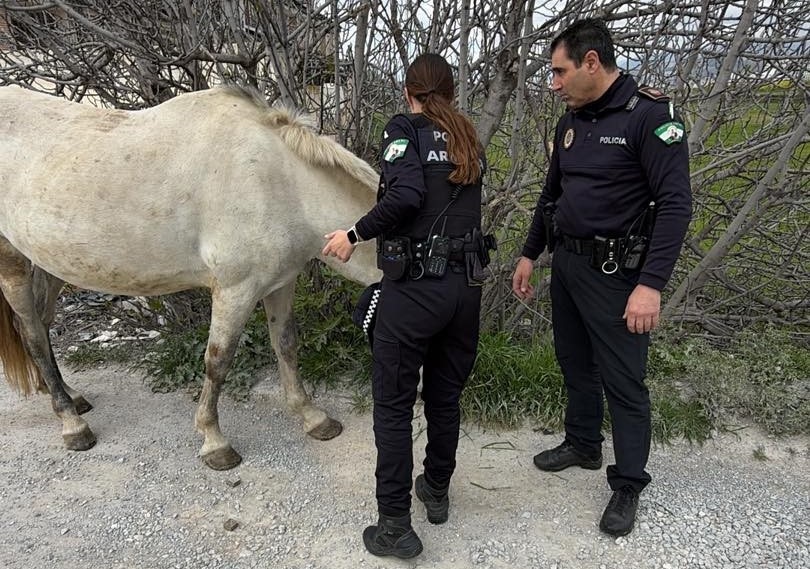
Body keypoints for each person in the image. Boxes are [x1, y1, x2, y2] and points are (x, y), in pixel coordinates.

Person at [511, 18, 692, 537]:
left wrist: (650, 285)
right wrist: (530, 254)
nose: (554, 82)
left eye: (559, 71)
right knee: (574, 362)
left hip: (620, 275)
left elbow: (676, 205)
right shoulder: (571, 120)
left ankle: (629, 481)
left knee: (624, 381)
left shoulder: (651, 118)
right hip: (568, 264)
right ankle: (584, 443)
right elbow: (553, 194)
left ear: (592, 63)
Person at [322, 53, 489, 558]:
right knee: (444, 395)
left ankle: (395, 525)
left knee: (393, 406)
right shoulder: (467, 137)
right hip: (465, 288)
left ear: (408, 92)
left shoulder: (406, 130)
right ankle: (435, 490)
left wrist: (353, 233)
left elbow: (408, 196)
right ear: (452, 93)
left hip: (416, 289)